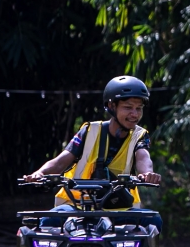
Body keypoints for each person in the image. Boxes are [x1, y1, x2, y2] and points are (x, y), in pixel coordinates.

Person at [24, 75, 163, 230]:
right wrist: (40, 173)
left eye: (139, 108)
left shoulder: (139, 136)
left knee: (153, 220)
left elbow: (143, 158)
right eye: (128, 107)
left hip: (118, 208)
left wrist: (147, 174)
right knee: (47, 221)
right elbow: (61, 161)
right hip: (77, 205)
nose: (135, 114)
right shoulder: (89, 131)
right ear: (111, 106)